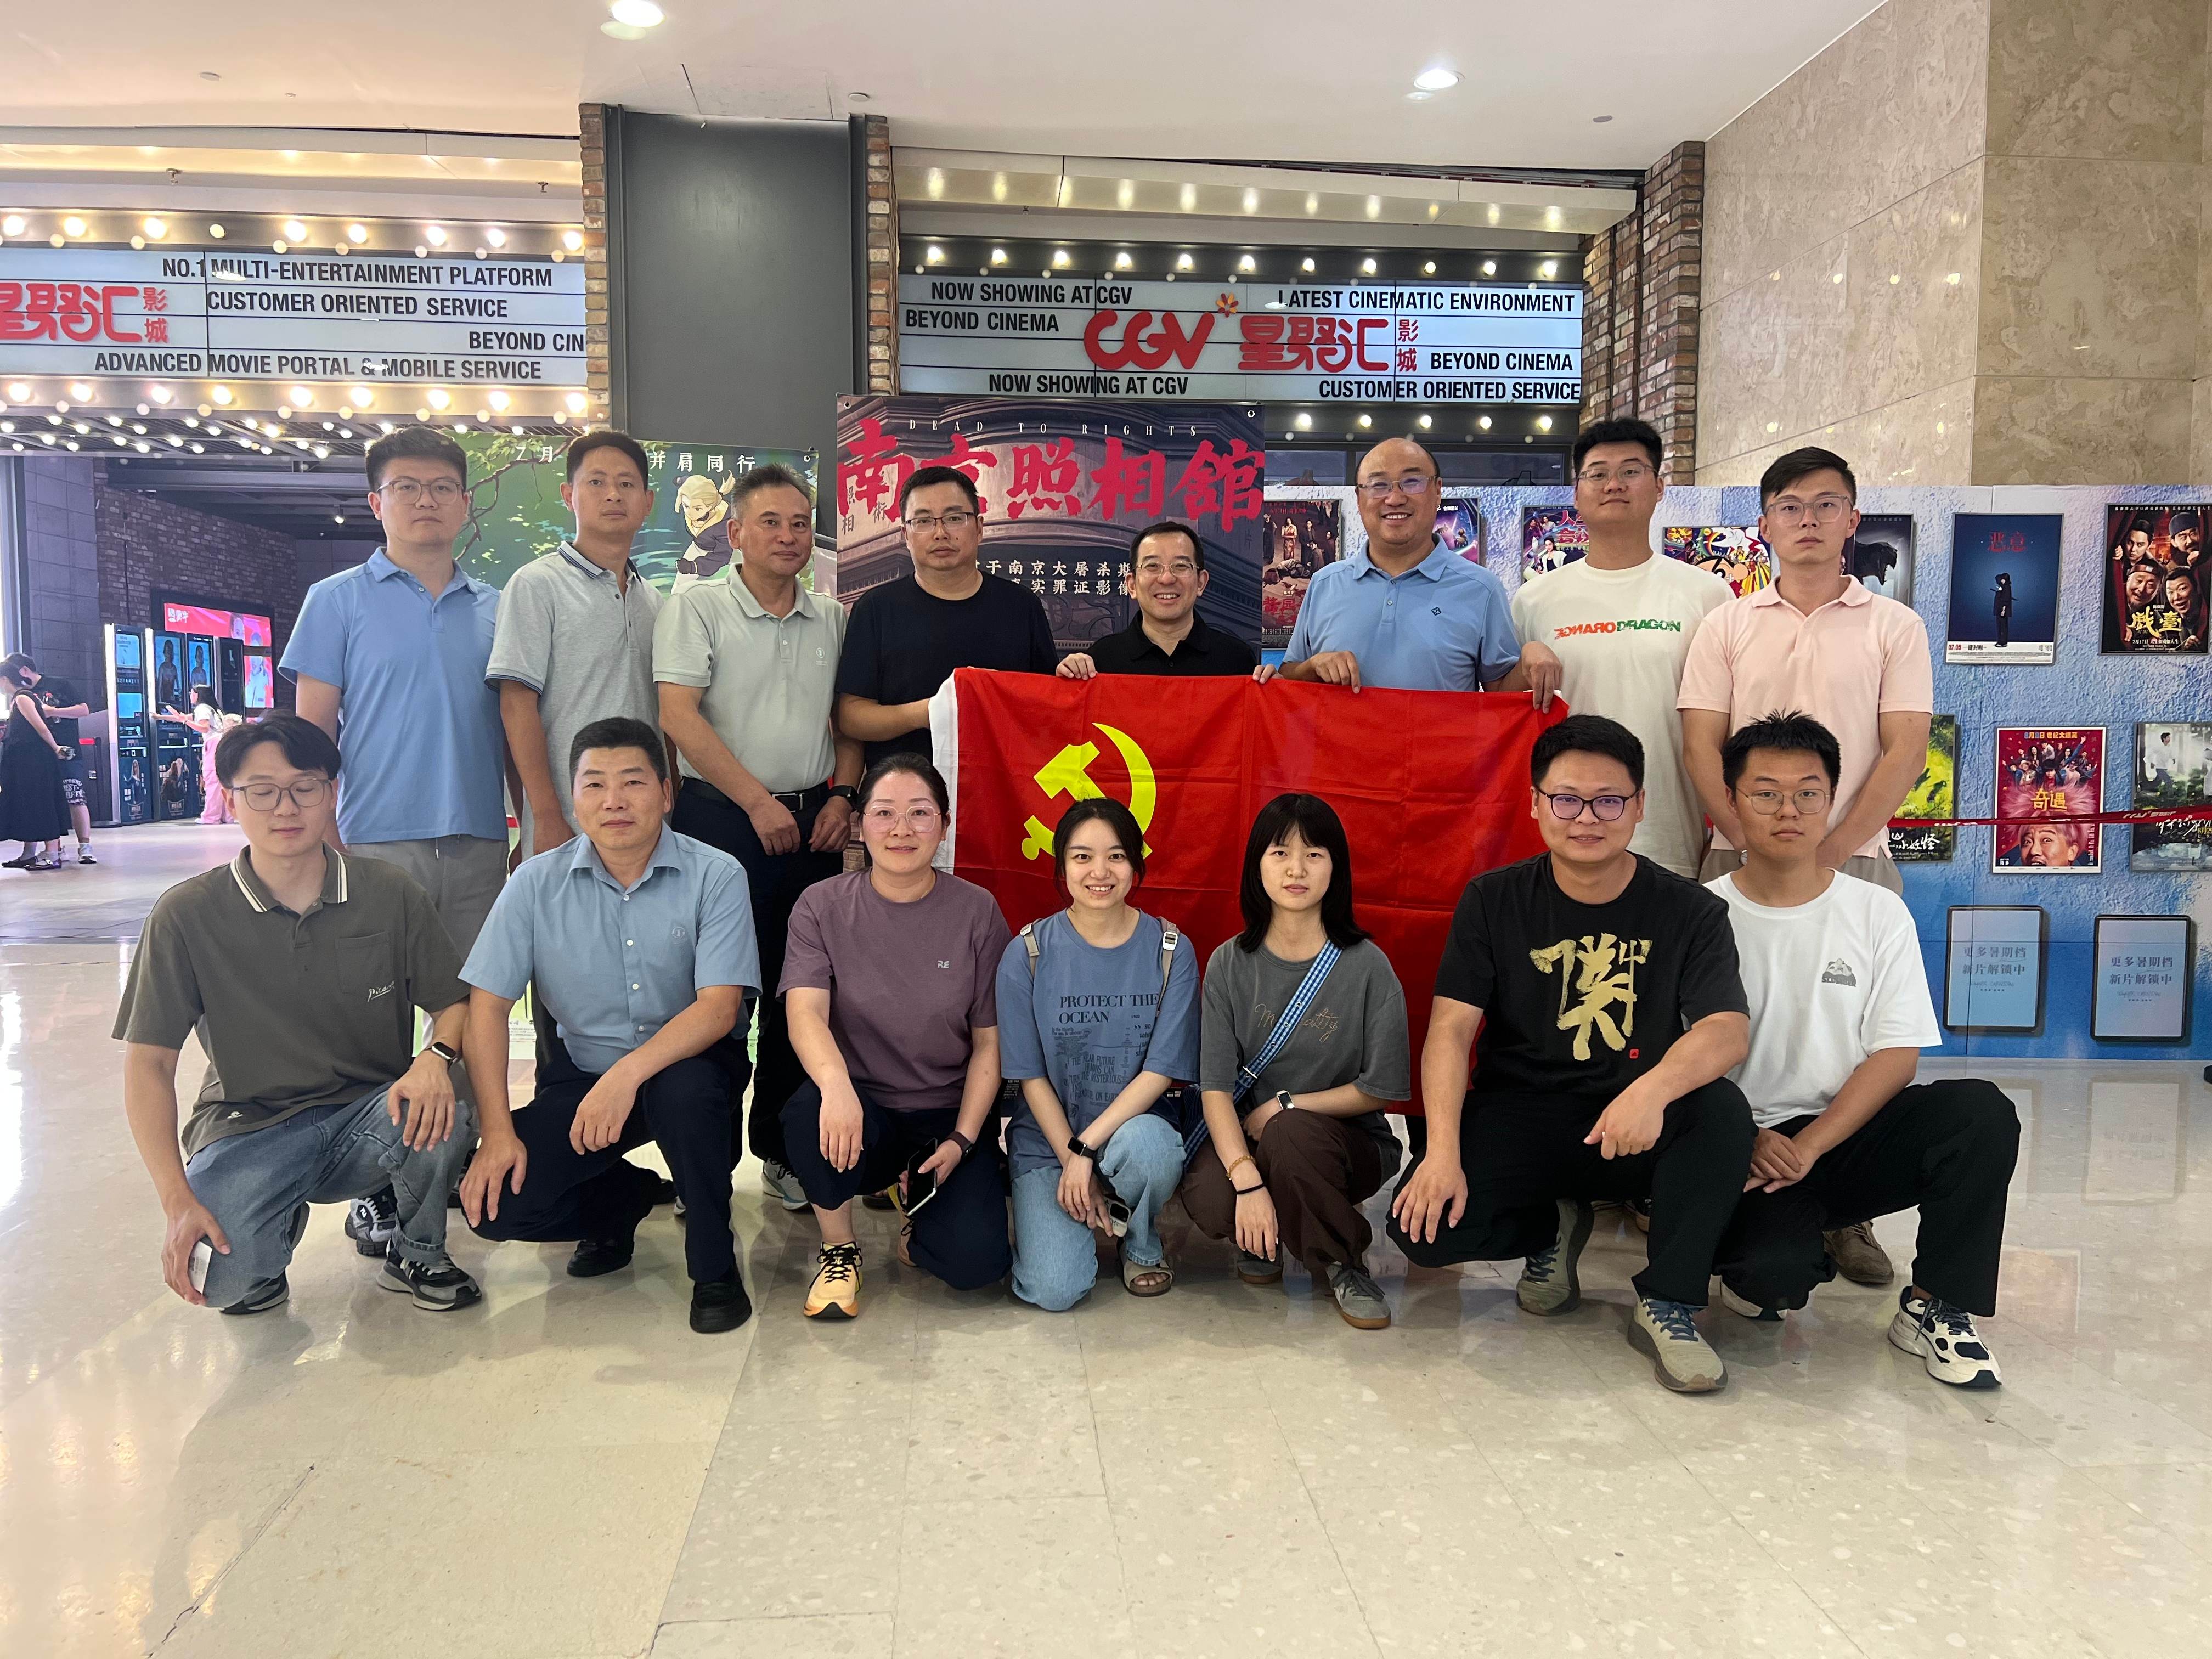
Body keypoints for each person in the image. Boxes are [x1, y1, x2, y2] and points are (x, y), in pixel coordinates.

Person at [1388, 714, 1754, 1395]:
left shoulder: (1689, 910)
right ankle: (1550, 1228)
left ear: (1639, 806)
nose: (1587, 818)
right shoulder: (1494, 900)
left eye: (1609, 801)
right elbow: (1450, 1032)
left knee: (1720, 1112)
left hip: (1629, 1120)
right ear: (1535, 804)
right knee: (1424, 1235)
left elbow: (1726, 1029)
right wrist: (1441, 1154)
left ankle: (1668, 1301)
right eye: (1566, 799)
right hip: (1521, 1113)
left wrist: (1651, 1091)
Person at [112, 714, 481, 1314]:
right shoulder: (187, 914)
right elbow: (149, 1064)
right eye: (262, 791)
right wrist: (177, 1200)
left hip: (371, 1113)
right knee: (222, 1283)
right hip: (250, 1126)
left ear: (331, 793)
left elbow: (453, 1002)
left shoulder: (388, 893)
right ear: (229, 799)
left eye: (304, 787)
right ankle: (274, 1227)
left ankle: (415, 1248)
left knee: (444, 1103)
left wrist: (434, 1059)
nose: (285, 807)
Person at [1707, 712, 2017, 1388]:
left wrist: (1812, 1145)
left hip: (1844, 1134)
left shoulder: (1876, 911)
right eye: (1765, 793)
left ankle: (1936, 1305)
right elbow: (1679, 1058)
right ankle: (1773, 1254)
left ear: (1832, 800)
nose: (1788, 810)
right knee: (1769, 1282)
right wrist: (1746, 1137)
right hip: (1744, 1145)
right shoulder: (1701, 916)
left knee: (1979, 1112)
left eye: (1807, 793)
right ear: (1731, 801)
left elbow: (1897, 1055)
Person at [283, 425, 511, 1260]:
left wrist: (532, 828)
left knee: (478, 1010)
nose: (425, 501)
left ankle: (454, 1164)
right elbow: (312, 735)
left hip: (480, 842)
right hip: (373, 847)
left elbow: (518, 729)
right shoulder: (335, 599)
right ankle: (377, 1184)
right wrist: (321, 839)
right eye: (406, 487)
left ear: (465, 504)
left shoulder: (498, 607)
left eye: (442, 487)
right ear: (376, 502)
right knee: (373, 1022)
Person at [457, 716, 760, 1333]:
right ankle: (619, 1202)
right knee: (496, 1206)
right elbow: (485, 1007)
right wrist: (497, 1131)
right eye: (594, 784)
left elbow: (719, 1008)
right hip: (583, 1075)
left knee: (685, 1095)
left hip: (692, 1069)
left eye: (633, 782)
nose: (614, 800)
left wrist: (627, 1076)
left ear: (667, 793)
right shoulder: (534, 884)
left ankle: (714, 1266)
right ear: (574, 799)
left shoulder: (717, 874)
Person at [656, 462, 861, 1212]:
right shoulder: (697, 607)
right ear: (736, 531)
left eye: (800, 523)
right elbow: (678, 716)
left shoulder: (833, 618)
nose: (788, 536)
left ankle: (778, 1149)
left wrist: (842, 795)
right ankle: (702, 1163)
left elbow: (848, 719)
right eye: (770, 522)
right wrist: (756, 803)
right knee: (716, 994)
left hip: (814, 825)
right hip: (720, 822)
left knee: (797, 990)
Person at [778, 754, 1013, 1318]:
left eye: (920, 813)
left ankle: (918, 1218)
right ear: (860, 825)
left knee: (977, 1265)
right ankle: (839, 1248)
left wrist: (962, 1139)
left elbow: (990, 1043)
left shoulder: (977, 911)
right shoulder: (821, 906)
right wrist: (837, 1088)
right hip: (862, 1107)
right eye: (884, 813)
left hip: (946, 1115)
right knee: (808, 1110)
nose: (902, 829)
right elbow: (805, 1013)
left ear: (945, 826)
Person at [1180, 793, 1412, 1331]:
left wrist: (1288, 1104)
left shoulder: (1368, 966)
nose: (1296, 870)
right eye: (1280, 853)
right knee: (1212, 1197)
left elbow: (1379, 1088)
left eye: (1314, 854)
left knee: (1290, 1133)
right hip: (1252, 1139)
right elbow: (1215, 1087)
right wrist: (1246, 1180)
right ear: (1257, 865)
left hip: (1345, 1144)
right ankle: (1266, 1230)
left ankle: (1342, 1261)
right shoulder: (1229, 963)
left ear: (1336, 867)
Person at [1679, 446, 1932, 911]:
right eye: (1790, 507)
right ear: (1765, 526)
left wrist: (1831, 853)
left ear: (1852, 520)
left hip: (1855, 856)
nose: (1808, 521)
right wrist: (1748, 844)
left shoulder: (1896, 626)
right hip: (1739, 856)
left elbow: (1907, 751)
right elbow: (1699, 747)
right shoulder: (1725, 624)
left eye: (1826, 505)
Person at [996, 798, 1200, 1308]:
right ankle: (1063, 1217)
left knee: (1151, 1151)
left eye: (1116, 856)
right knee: (1055, 1290)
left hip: (1134, 1131)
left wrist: (1086, 1150)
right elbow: (1030, 1077)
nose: (1100, 872)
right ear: (1062, 865)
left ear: (1136, 864)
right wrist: (1071, 1156)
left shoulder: (1171, 950)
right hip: (1049, 1141)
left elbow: (1160, 1072)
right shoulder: (1027, 954)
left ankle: (1141, 1239)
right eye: (1082, 857)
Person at [1510, 418, 1733, 877]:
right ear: (1576, 494)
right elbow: (1506, 713)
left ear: (1659, 487)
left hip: (1671, 836)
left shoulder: (1708, 595)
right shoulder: (1534, 600)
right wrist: (1525, 659)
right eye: (1597, 473)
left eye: (1631, 471)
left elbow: (1726, 725)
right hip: (1565, 837)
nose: (1614, 484)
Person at [490, 430, 667, 858]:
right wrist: (546, 814)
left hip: (644, 820)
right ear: (569, 495)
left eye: (627, 483)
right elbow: (516, 704)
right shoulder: (537, 585)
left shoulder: (654, 601)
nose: (613, 494)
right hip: (568, 823)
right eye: (597, 482)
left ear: (648, 502)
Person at [1271, 436, 1550, 695]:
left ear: (1438, 491)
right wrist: (1313, 666)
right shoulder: (1325, 583)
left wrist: (1528, 664)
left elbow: (1500, 696)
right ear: (1359, 499)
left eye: (1412, 482)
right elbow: (1289, 677)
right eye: (1378, 485)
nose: (1394, 499)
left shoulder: (1482, 589)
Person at [834, 465, 1059, 766]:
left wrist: (1071, 674)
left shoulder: (1022, 606)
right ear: (905, 534)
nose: (940, 533)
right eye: (923, 521)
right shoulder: (875, 608)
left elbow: (1048, 704)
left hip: (1002, 783)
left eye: (955, 518)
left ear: (979, 528)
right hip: (907, 787)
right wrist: (930, 712)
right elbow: (851, 717)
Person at [1054, 520, 1260, 679]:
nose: (1167, 578)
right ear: (1132, 585)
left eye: (1181, 566)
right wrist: (1068, 683)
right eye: (1152, 566)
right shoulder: (1100, 662)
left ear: (1201, 582)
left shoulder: (1237, 660)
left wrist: (1272, 691)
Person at [1, 652, 97, 864]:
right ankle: (47, 850)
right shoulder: (22, 695)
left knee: (74, 797)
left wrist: (52, 713)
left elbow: (83, 710)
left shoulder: (55, 686)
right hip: (38, 757)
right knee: (41, 801)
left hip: (62, 752)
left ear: (23, 671)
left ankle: (83, 846)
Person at [672, 470, 735, 589]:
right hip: (701, 546)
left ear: (709, 507)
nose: (690, 513)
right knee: (679, 587)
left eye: (697, 509)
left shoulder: (724, 525)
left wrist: (693, 567)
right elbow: (691, 481)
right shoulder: (692, 495)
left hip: (735, 549)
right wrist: (681, 480)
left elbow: (722, 555)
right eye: (686, 506)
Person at [1993, 572, 2014, 649]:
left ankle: (2003, 642)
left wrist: (2003, 610)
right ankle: (2001, 641)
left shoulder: (2007, 588)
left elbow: (2006, 600)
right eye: (2001, 579)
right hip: (2000, 610)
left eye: (2003, 579)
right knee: (2000, 626)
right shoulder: (2004, 587)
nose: (2002, 581)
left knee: (2003, 627)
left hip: (2003, 611)